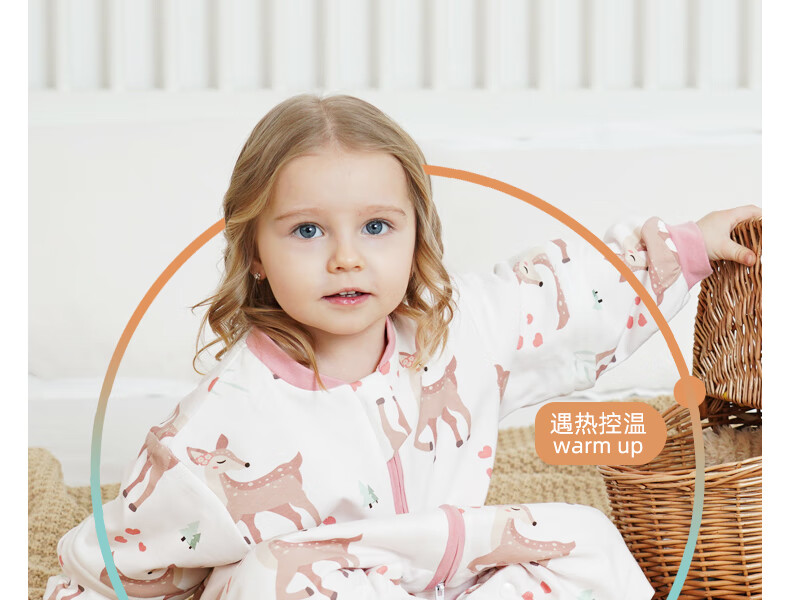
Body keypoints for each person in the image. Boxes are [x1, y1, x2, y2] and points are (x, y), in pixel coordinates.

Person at [45, 94, 761, 600]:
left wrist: (687, 247)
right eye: (307, 231)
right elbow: (114, 557)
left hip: (451, 572)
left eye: (376, 227)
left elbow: (570, 299)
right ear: (255, 250)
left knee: (586, 542)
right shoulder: (221, 425)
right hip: (323, 584)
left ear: (416, 234)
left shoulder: (464, 330)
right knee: (269, 580)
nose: (346, 258)